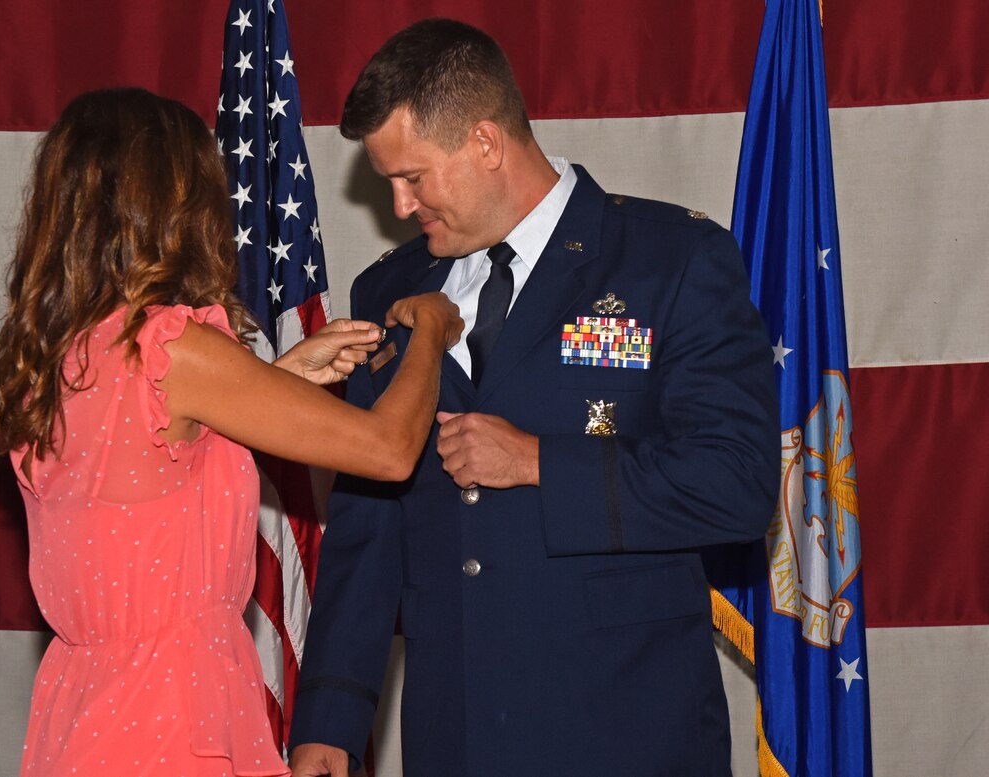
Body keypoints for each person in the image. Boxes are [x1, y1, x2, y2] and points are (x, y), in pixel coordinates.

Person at [287, 19, 779, 777]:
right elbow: (368, 518)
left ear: (485, 143)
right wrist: (331, 710)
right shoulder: (390, 289)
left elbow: (737, 487)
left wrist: (542, 461)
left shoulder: (670, 260)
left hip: (626, 730)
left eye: (413, 178)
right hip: (455, 731)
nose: (397, 205)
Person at [0, 87, 462, 776]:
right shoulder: (172, 346)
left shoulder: (58, 355)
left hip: (88, 712)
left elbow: (163, 455)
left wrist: (285, 372)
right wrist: (431, 333)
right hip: (172, 717)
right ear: (175, 201)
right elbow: (387, 450)